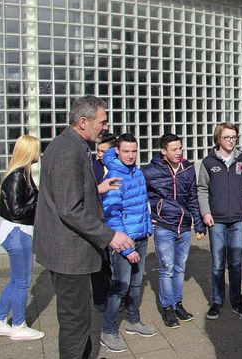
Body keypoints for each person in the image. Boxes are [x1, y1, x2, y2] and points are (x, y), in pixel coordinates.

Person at [33, 95, 133, 359]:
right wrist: (110, 236)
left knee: (78, 322)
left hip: (69, 252)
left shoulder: (70, 145)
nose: (105, 126)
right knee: (76, 325)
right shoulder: (68, 151)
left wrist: (96, 189)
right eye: (102, 121)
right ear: (83, 122)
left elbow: (67, 195)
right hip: (69, 255)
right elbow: (69, 209)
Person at [142, 133, 206, 328]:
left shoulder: (187, 169)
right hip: (164, 226)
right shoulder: (150, 171)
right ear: (163, 151)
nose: (179, 153)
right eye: (174, 149)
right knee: (167, 269)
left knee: (180, 268)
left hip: (185, 226)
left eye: (180, 148)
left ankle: (178, 303)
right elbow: (138, 196)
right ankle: (167, 308)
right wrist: (147, 219)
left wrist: (199, 223)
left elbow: (193, 197)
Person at [100, 133, 156, 353]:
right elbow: (113, 217)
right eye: (126, 151)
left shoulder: (138, 172)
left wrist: (147, 228)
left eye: (134, 151)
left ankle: (133, 321)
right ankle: (108, 331)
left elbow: (142, 206)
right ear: (117, 151)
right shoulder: (115, 176)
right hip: (124, 242)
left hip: (140, 237)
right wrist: (127, 249)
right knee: (119, 287)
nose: (131, 155)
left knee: (135, 284)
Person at [198, 122, 242, 321]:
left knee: (236, 263)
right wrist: (205, 213)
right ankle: (216, 301)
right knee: (218, 264)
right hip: (217, 221)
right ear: (218, 139)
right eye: (227, 137)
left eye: (233, 137)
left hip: (238, 218)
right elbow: (202, 189)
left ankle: (237, 301)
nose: (231, 141)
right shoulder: (208, 162)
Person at [0, 135, 45, 340]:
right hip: (18, 233)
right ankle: (18, 324)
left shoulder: (20, 174)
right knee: (23, 282)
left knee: (16, 280)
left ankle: (1, 320)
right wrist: (41, 203)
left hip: (16, 232)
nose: (39, 153)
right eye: (36, 149)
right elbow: (17, 211)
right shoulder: (18, 176)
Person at [90, 132, 117, 313]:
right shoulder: (92, 167)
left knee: (114, 264)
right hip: (97, 221)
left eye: (103, 151)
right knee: (99, 262)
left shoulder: (120, 166)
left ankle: (116, 296)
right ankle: (100, 299)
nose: (100, 154)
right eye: (98, 150)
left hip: (115, 221)